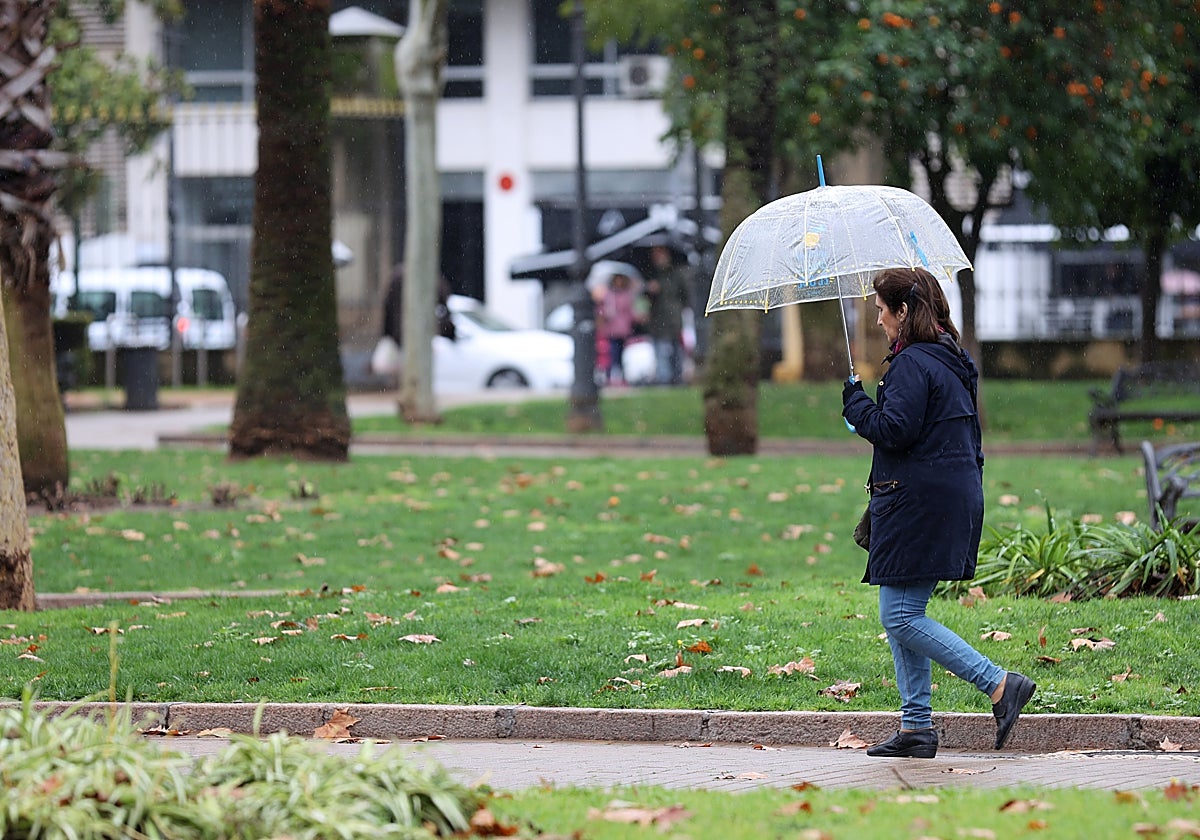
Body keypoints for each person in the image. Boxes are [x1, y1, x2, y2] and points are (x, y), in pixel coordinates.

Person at [841, 266, 1035, 759]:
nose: (880, 321)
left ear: (903, 312)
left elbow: (895, 429)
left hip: (918, 499)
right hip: (942, 493)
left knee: (902, 615)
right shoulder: (951, 357)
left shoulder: (912, 364)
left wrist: (855, 406)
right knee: (902, 610)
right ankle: (916, 728)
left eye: (883, 312)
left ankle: (998, 684)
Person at [644, 245, 691, 385]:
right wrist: (649, 291)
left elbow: (684, 294)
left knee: (676, 348)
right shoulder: (651, 274)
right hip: (658, 318)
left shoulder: (675, 273)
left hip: (673, 317)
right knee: (661, 349)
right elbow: (644, 300)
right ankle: (664, 378)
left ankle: (677, 377)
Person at [599, 272, 638, 385]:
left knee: (621, 355)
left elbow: (630, 311)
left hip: (623, 330)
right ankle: (609, 377)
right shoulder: (608, 295)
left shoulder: (627, 295)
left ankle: (620, 378)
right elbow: (601, 310)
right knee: (611, 354)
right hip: (611, 330)